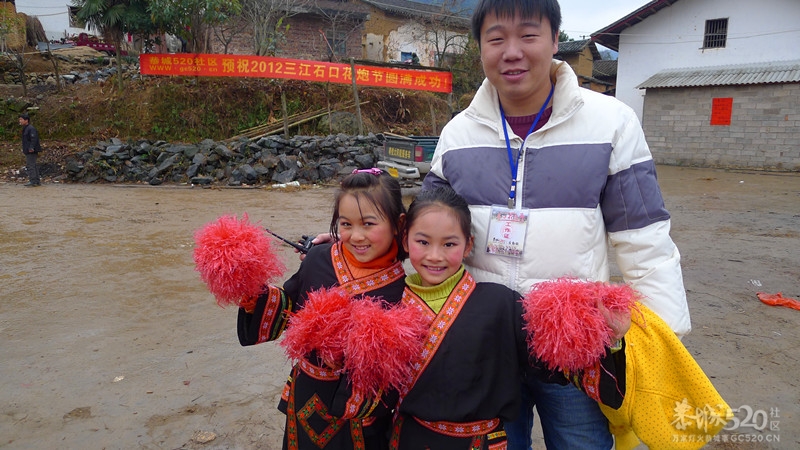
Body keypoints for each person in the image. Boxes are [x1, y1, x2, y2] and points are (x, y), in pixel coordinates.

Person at [422, 0, 692, 448]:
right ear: (480, 48)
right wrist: (353, 249)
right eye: (496, 38)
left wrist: (660, 338)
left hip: (575, 347)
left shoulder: (610, 123)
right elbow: (425, 231)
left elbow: (644, 239)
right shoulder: (458, 134)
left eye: (528, 35)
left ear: (554, 41)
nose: (512, 51)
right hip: (486, 342)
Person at [391, 186, 629, 448]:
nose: (435, 255)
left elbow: (551, 362)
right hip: (411, 440)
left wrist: (607, 336)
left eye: (449, 244)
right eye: (423, 242)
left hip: (479, 443)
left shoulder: (501, 304)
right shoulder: (391, 303)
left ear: (468, 244)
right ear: (405, 240)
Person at [236, 168, 409, 449]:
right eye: (346, 224)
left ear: (397, 224)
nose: (356, 236)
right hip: (306, 397)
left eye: (369, 224)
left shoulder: (401, 289)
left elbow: (393, 374)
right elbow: (289, 306)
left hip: (359, 415)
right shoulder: (317, 258)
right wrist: (251, 293)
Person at [19, 113, 41, 187]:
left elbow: (34, 139)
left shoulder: (31, 128)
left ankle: (33, 181)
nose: (20, 121)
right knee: (33, 165)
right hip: (28, 149)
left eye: (21, 119)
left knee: (30, 165)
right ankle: (36, 181)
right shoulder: (26, 128)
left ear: (26, 120)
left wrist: (31, 147)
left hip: (31, 150)